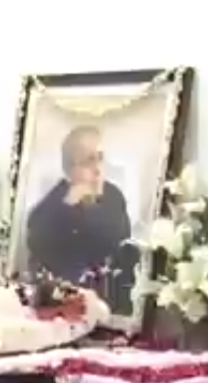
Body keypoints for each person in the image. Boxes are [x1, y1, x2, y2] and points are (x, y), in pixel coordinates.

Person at [25, 125, 136, 313]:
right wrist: (67, 207)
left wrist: (90, 209)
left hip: (110, 303)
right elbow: (38, 241)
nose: (98, 169)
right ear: (70, 169)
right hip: (65, 304)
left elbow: (117, 242)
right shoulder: (56, 202)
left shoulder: (114, 197)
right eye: (89, 161)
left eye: (100, 158)